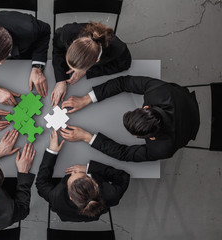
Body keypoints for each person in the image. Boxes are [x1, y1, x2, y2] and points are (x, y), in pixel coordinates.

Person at [60, 75, 200, 162]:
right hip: (183, 100)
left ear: (151, 138)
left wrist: (87, 137)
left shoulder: (162, 149)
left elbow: (125, 154)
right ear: (145, 109)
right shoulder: (159, 91)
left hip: (187, 128)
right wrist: (86, 98)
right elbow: (124, 83)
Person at [36, 130, 130, 222]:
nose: (72, 172)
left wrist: (52, 152)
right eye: (78, 175)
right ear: (95, 184)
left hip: (66, 214)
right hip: (88, 214)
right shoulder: (112, 195)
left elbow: (41, 184)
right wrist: (89, 168)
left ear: (70, 197)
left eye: (70, 178)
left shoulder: (56, 198)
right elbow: (123, 176)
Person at [51, 22, 131, 106]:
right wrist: (61, 79)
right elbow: (57, 47)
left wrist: (88, 71)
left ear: (96, 60)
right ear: (73, 43)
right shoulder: (68, 32)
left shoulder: (118, 49)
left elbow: (124, 64)